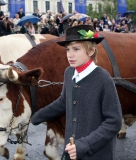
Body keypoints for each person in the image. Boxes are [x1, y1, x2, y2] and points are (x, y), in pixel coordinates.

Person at [31, 25, 122, 160]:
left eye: (76, 49)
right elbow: (63, 101)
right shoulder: (69, 72)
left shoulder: (103, 79)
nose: (70, 54)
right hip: (71, 150)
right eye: (68, 49)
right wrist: (36, 116)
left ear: (91, 51)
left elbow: (114, 122)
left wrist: (84, 145)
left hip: (96, 154)